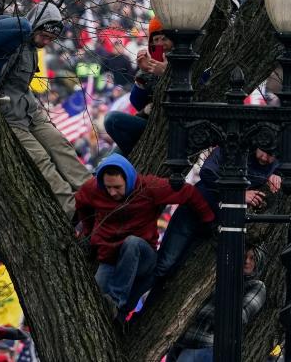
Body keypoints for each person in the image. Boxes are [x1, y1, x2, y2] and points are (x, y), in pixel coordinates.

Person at [0, 2, 89, 214]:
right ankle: (73, 210)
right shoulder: (11, 43)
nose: (46, 41)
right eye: (44, 35)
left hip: (31, 111)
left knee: (60, 145)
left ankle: (91, 191)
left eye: (51, 39)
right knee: (41, 160)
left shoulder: (32, 48)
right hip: (10, 116)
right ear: (35, 25)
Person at [75, 153, 215, 317]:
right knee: (94, 306)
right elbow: (81, 202)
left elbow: (188, 192)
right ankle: (117, 321)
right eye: (108, 188)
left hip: (142, 256)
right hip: (110, 258)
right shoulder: (93, 189)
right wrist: (89, 232)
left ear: (128, 180)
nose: (112, 193)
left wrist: (208, 219)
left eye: (117, 187)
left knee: (131, 243)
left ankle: (115, 301)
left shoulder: (149, 187)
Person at [153, 141, 280, 283]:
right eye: (263, 151)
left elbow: (290, 168)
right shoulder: (235, 148)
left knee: (179, 272)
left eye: (271, 156)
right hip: (193, 212)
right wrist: (238, 194)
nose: (264, 158)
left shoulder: (276, 163)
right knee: (164, 265)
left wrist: (276, 174)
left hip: (214, 224)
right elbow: (207, 172)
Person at [174, 245, 267, 362]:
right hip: (188, 345)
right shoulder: (220, 278)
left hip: (213, 348)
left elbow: (240, 317)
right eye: (244, 256)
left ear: (259, 263)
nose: (246, 261)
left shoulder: (256, 285)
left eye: (252, 258)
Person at [103, 17, 170, 154]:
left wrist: (164, 73)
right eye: (156, 40)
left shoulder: (180, 61)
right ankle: (134, 156)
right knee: (106, 163)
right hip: (148, 122)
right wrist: (143, 74)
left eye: (164, 39)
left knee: (112, 119)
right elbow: (136, 102)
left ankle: (135, 156)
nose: (160, 44)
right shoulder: (154, 61)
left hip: (166, 126)